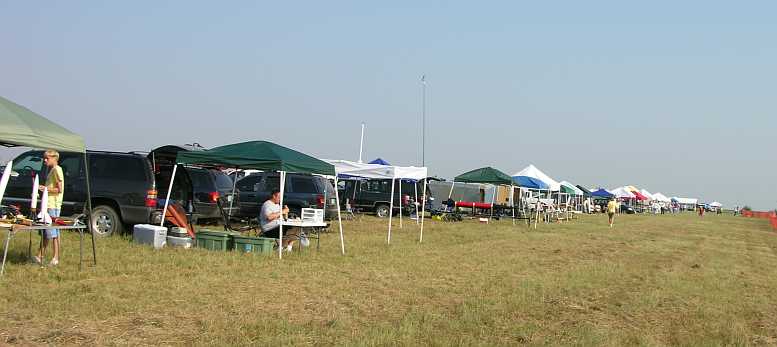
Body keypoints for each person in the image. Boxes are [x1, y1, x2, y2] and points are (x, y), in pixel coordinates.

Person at [34, 150, 64, 266]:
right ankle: (40, 255)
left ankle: (55, 258)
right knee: (46, 231)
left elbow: (59, 189)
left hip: (53, 205)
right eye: (44, 158)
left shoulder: (57, 170)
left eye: (47, 158)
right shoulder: (52, 170)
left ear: (54, 158)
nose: (45, 160)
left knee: (53, 232)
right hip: (48, 204)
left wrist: (45, 189)